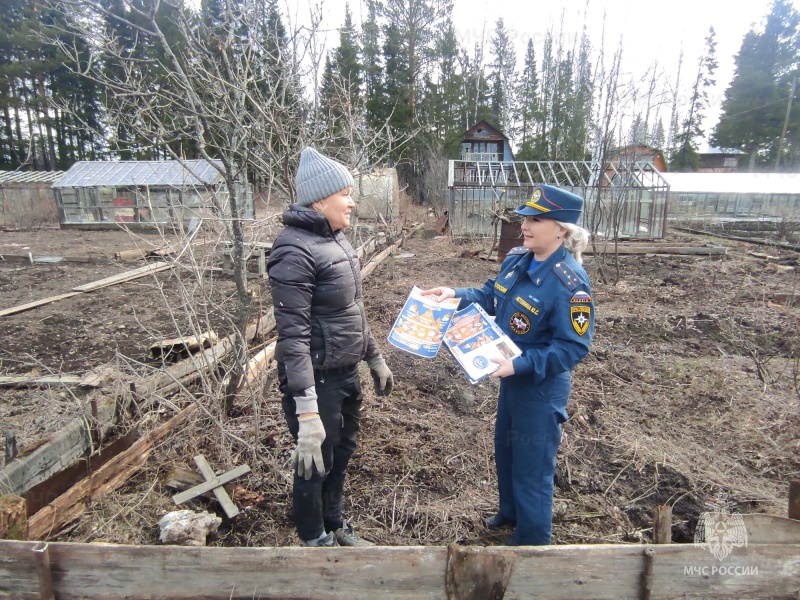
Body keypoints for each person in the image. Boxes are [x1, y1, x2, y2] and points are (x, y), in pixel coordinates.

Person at [422, 184, 594, 546]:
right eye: (525, 218)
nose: (525, 226)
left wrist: (523, 365)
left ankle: (532, 538)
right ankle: (511, 512)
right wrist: (454, 294)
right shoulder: (518, 259)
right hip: (511, 375)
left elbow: (573, 347)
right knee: (508, 448)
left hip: (540, 386)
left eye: (535, 220)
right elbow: (490, 295)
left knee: (533, 461)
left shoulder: (570, 283)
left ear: (561, 229)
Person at [267, 147, 394, 547]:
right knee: (314, 461)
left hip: (344, 373)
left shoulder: (336, 241)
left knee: (340, 452)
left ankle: (334, 525)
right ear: (321, 199)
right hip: (316, 381)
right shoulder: (293, 250)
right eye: (346, 193)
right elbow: (293, 338)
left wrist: (373, 357)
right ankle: (313, 538)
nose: (353, 201)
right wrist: (306, 413)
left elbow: (351, 311)